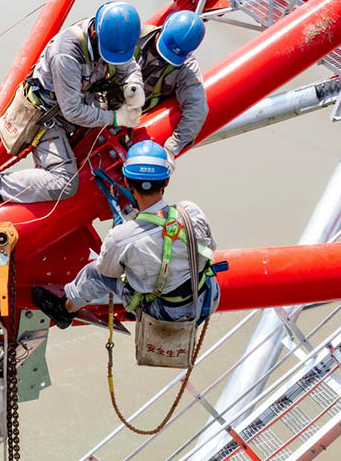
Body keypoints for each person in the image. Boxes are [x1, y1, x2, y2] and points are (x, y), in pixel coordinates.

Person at [31, 140, 219, 329]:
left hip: (164, 314)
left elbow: (107, 271)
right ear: (167, 180)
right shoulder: (191, 212)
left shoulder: (121, 237)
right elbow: (211, 247)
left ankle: (65, 310)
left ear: (127, 182)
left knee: (94, 273)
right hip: (205, 299)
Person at [0, 2, 146, 205]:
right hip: (48, 117)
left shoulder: (113, 40)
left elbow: (129, 67)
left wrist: (134, 87)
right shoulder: (67, 53)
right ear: (94, 32)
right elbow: (72, 111)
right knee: (64, 182)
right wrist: (116, 118)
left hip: (81, 101)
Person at [135, 10, 208, 163]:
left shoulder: (186, 67)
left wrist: (171, 148)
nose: (165, 57)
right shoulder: (135, 37)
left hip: (137, 117)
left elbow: (197, 108)